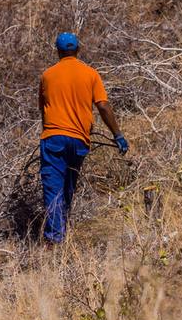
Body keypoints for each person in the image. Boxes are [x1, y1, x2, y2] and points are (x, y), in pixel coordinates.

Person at [38, 31, 128, 244]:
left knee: (53, 188)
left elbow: (43, 110)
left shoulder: (47, 76)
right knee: (68, 185)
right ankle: (61, 235)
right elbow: (103, 106)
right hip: (79, 140)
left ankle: (55, 240)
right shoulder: (90, 74)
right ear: (78, 50)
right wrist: (118, 135)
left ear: (58, 51)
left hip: (53, 137)